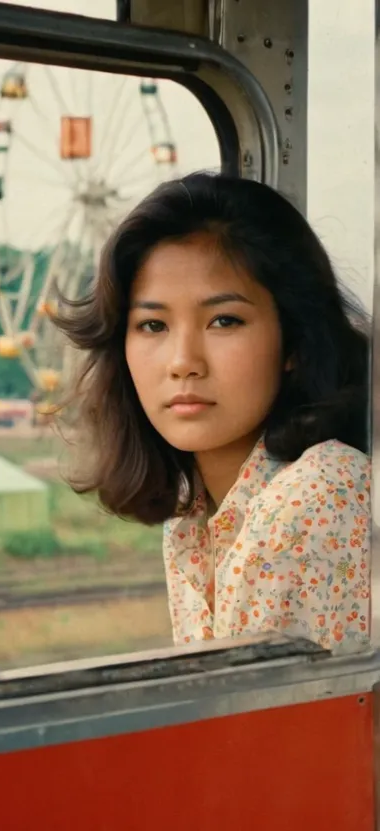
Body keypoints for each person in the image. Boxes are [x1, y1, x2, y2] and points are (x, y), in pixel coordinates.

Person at [54, 172, 370, 653]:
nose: (183, 362)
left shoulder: (313, 498)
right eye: (153, 324)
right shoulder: (193, 517)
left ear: (294, 342)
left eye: (224, 321)